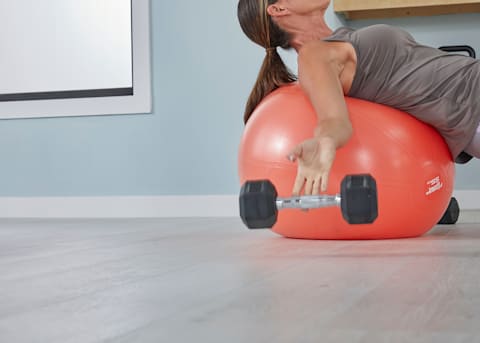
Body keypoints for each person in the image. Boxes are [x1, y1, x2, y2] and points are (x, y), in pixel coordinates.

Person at [237, 0, 480, 196]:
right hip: (470, 100)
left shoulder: (340, 38)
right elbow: (334, 120)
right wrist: (324, 141)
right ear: (279, 8)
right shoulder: (313, 55)